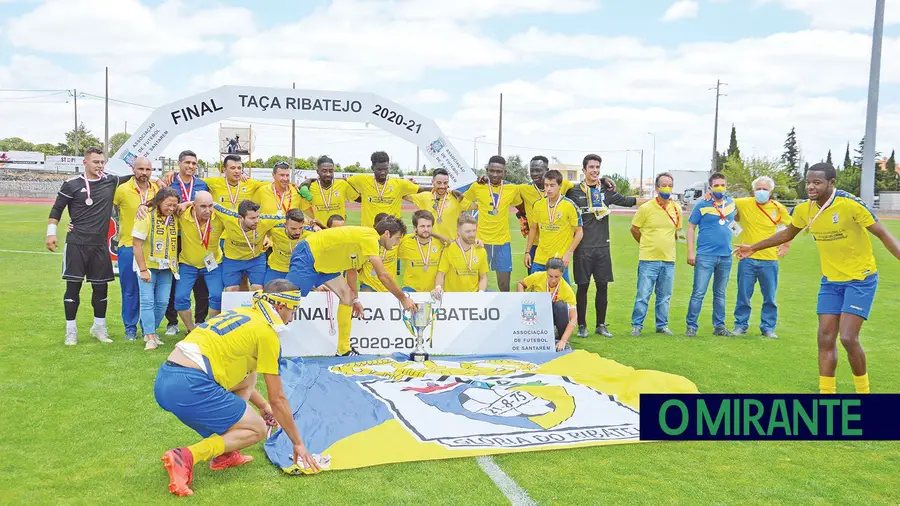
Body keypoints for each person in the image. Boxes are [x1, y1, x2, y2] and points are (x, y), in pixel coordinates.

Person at [735, 162, 900, 394]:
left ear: (832, 183)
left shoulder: (850, 204)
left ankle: (863, 393)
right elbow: (787, 233)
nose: (811, 187)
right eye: (808, 182)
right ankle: (826, 394)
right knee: (824, 338)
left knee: (848, 338)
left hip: (860, 279)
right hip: (831, 281)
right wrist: (754, 247)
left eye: (817, 182)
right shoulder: (804, 209)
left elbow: (883, 234)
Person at [154, 280, 321, 497]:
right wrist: (298, 443)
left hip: (166, 378)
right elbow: (278, 398)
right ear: (280, 306)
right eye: (293, 309)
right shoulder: (267, 333)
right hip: (191, 385)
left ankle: (226, 453)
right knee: (257, 429)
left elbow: (243, 379)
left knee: (249, 375)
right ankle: (186, 456)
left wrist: (262, 405)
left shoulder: (244, 313)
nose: (293, 316)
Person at [46, 147, 140, 345]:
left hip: (99, 246)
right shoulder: (71, 184)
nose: (99, 165)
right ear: (85, 163)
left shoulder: (110, 181)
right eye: (95, 162)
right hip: (76, 243)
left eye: (102, 162)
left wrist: (158, 177)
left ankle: (99, 328)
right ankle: (70, 331)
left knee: (101, 288)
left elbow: (137, 175)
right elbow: (57, 209)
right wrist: (51, 234)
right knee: (73, 287)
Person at [286, 216, 417, 356]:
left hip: (325, 263)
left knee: (347, 296)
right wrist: (403, 298)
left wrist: (355, 299)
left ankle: (343, 349)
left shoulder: (367, 240)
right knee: (286, 299)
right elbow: (383, 275)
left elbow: (351, 269)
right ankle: (269, 335)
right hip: (309, 254)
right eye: (397, 238)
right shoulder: (371, 238)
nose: (397, 243)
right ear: (386, 233)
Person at [565, 153, 644, 338]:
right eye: (591, 167)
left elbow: (627, 201)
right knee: (582, 288)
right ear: (583, 170)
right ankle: (582, 325)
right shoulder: (573, 192)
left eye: (598, 167)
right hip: (582, 248)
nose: (595, 170)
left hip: (602, 247)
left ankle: (601, 325)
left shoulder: (606, 191)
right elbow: (554, 189)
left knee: (603, 287)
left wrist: (659, 200)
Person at [731, 176, 792, 338]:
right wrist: (710, 195)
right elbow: (724, 200)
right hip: (747, 259)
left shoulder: (779, 208)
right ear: (753, 190)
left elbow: (790, 228)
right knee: (743, 294)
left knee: (770, 297)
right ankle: (740, 325)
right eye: (758, 189)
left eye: (765, 189)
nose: (761, 192)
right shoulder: (743, 203)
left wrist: (787, 244)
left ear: (771, 191)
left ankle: (768, 327)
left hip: (770, 259)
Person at [164, 150, 211, 340]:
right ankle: (172, 322)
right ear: (179, 163)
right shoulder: (169, 182)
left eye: (194, 163)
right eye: (187, 163)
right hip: (174, 238)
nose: (191, 166)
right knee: (174, 281)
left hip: (197, 238)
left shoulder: (201, 184)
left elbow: (208, 203)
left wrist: (189, 202)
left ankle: (200, 320)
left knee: (201, 283)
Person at [629, 173, 682, 336]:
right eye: (664, 185)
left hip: (668, 260)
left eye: (670, 185)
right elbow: (634, 229)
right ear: (657, 188)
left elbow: (676, 232)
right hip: (648, 259)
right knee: (643, 294)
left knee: (664, 296)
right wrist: (646, 244)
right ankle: (637, 325)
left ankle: (662, 325)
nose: (667, 188)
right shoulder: (646, 208)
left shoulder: (676, 208)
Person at [685, 172, 737, 337]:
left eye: (722, 184)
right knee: (698, 292)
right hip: (705, 256)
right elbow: (691, 227)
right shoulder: (702, 205)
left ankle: (719, 326)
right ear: (710, 187)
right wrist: (691, 251)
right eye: (716, 185)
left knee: (720, 294)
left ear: (726, 186)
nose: (719, 188)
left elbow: (735, 223)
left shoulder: (731, 203)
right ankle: (691, 326)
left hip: (726, 256)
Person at [113, 156, 159, 341]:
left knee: (149, 292)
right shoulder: (122, 190)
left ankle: (147, 328)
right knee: (130, 289)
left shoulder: (157, 190)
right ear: (133, 169)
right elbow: (103, 209)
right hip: (127, 246)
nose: (144, 173)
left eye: (147, 170)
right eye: (140, 169)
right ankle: (130, 328)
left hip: (151, 249)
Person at [462, 155, 522, 292]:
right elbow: (464, 201)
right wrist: (476, 206)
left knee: (504, 285)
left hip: (502, 242)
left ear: (505, 172)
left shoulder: (512, 189)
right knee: (475, 282)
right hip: (481, 242)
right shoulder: (477, 186)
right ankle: (476, 310)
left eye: (499, 171)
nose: (495, 174)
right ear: (487, 170)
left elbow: (519, 204)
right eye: (492, 170)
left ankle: (505, 310)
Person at [133, 188, 181, 351]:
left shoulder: (174, 217)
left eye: (175, 205)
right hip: (147, 266)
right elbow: (137, 244)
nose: (171, 209)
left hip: (167, 267)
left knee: (162, 302)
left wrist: (185, 204)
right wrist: (143, 269)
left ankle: (149, 332)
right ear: (159, 201)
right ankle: (151, 336)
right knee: (147, 301)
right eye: (168, 205)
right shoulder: (145, 215)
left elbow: (190, 206)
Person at [174, 191, 225, 333]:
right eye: (203, 206)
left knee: (217, 296)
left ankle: (210, 330)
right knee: (180, 298)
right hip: (187, 264)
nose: (207, 210)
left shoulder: (219, 217)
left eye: (210, 206)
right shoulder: (182, 215)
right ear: (194, 206)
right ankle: (192, 331)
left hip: (213, 264)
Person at [516, 156, 573, 274]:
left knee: (556, 282)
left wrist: (602, 181)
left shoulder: (563, 184)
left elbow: (582, 186)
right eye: (532, 170)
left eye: (538, 170)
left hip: (555, 246)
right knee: (535, 283)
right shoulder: (523, 189)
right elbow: (504, 186)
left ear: (547, 170)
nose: (535, 173)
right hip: (535, 245)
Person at [524, 169, 583, 284]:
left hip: (559, 261)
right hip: (539, 260)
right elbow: (533, 229)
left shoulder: (569, 205)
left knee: (563, 299)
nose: (548, 189)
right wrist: (527, 252)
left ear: (560, 186)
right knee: (536, 296)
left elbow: (579, 232)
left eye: (552, 185)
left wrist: (568, 253)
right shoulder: (538, 204)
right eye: (546, 185)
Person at [214, 200, 283, 292]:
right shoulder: (229, 217)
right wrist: (188, 204)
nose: (256, 221)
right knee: (231, 290)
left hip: (255, 259)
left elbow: (289, 218)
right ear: (241, 217)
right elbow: (213, 204)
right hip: (232, 260)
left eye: (257, 216)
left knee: (258, 289)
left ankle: (257, 306)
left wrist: (307, 222)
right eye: (252, 218)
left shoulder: (264, 221)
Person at [346, 151, 424, 228]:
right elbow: (343, 183)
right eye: (379, 169)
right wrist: (357, 198)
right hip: (369, 232)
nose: (383, 172)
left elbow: (420, 189)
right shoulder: (362, 180)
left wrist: (436, 188)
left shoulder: (399, 184)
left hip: (392, 233)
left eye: (385, 169)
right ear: (372, 168)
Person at [517, 257, 577, 352]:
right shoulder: (537, 276)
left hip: (554, 315)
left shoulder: (567, 290)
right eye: (550, 276)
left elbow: (573, 318)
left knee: (561, 306)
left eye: (557, 277)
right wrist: (523, 297)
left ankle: (560, 338)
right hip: (535, 314)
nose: (553, 280)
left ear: (562, 273)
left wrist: (564, 340)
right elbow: (521, 283)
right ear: (546, 272)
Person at [432, 214, 489, 298]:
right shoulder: (449, 249)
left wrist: (480, 293)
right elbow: (441, 273)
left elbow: (483, 277)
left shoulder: (481, 250)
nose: (472, 234)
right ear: (458, 232)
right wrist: (438, 287)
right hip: (452, 296)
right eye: (468, 231)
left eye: (474, 230)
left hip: (473, 295)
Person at [405, 168, 470, 241]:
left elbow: (478, 205)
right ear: (433, 182)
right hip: (430, 246)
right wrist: (408, 184)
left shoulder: (456, 198)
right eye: (439, 183)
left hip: (451, 245)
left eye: (445, 183)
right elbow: (402, 194)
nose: (442, 186)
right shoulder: (424, 197)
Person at [299, 156, 360, 226]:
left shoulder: (342, 185)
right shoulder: (311, 187)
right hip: (320, 231)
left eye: (331, 171)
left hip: (339, 230)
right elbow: (304, 207)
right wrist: (315, 218)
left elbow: (360, 199)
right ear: (317, 171)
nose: (328, 174)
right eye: (324, 171)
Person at [398, 210, 445, 293]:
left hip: (433, 290)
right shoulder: (405, 242)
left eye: (429, 226)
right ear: (415, 228)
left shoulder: (439, 243)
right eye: (422, 226)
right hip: (411, 288)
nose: (426, 229)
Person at [265, 209, 312, 285]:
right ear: (285, 225)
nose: (298, 232)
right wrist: (265, 236)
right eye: (293, 228)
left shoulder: (310, 233)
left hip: (298, 270)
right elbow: (260, 229)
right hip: (276, 268)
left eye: (300, 228)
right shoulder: (276, 229)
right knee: (269, 292)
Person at [356, 213, 400, 292]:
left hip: (388, 287)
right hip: (369, 285)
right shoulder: (366, 243)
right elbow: (356, 267)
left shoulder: (395, 242)